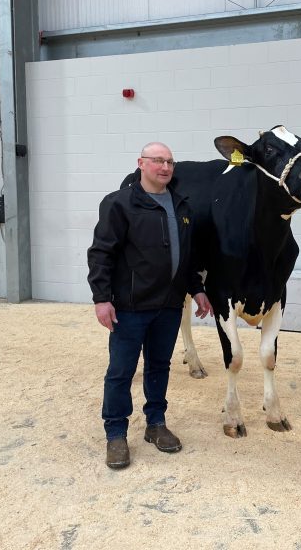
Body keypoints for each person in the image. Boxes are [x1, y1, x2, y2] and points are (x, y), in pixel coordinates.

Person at [88, 142, 212, 470]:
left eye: (170, 162)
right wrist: (102, 298)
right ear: (141, 163)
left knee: (160, 367)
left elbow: (187, 257)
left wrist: (197, 290)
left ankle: (156, 424)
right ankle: (116, 434)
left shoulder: (182, 207)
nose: (165, 167)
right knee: (121, 372)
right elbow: (101, 253)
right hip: (129, 306)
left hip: (169, 306)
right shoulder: (120, 204)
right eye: (158, 161)